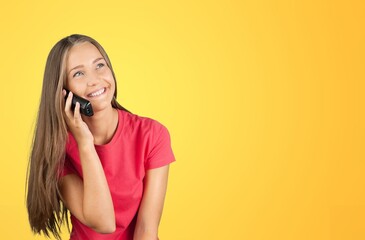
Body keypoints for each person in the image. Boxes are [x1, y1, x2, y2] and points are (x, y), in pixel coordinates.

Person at [26, 34, 176, 240]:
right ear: (63, 92)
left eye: (99, 66)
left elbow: (146, 230)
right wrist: (85, 145)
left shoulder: (152, 134)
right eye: (79, 73)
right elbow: (104, 223)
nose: (95, 80)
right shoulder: (58, 151)